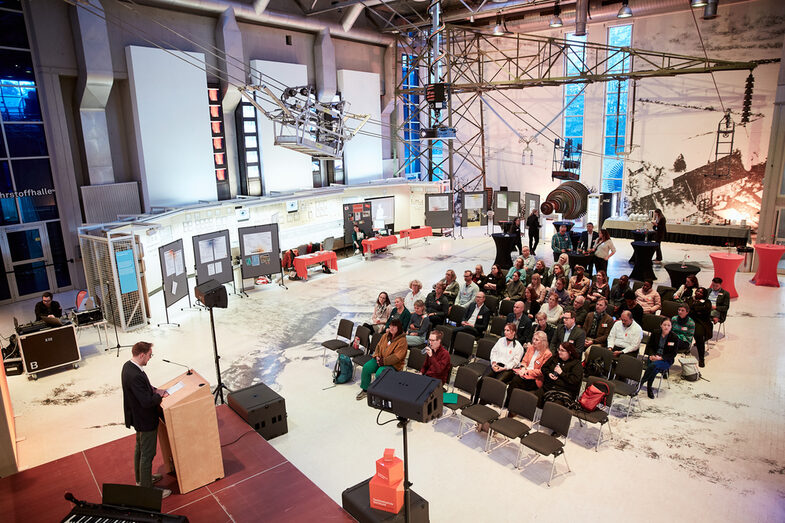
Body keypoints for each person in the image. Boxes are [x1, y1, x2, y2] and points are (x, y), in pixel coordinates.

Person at [121, 341, 170, 498]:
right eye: (149, 355)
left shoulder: (128, 367)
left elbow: (142, 390)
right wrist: (158, 395)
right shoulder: (135, 375)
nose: (150, 358)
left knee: (140, 450)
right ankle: (148, 490)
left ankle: (141, 480)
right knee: (147, 454)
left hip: (137, 417)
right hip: (145, 419)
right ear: (142, 354)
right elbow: (146, 401)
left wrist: (155, 390)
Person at [357, 319, 407, 400]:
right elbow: (378, 347)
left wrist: (383, 361)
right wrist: (377, 356)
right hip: (379, 359)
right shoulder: (385, 336)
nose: (391, 328)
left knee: (379, 374)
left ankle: (380, 394)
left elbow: (397, 357)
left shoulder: (402, 341)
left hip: (393, 364)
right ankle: (365, 390)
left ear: (399, 328)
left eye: (394, 326)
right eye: (390, 326)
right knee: (366, 367)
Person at [641, 318, 680, 398]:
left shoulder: (674, 337)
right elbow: (649, 346)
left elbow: (673, 354)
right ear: (661, 325)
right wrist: (651, 355)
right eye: (664, 325)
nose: (666, 327)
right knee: (655, 369)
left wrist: (661, 358)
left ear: (671, 327)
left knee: (653, 366)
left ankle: (641, 382)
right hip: (654, 356)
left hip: (666, 360)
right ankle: (649, 388)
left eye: (668, 325)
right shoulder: (655, 333)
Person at [506, 331, 553, 396]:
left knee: (516, 381)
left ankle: (508, 403)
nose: (534, 341)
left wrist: (527, 371)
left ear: (543, 342)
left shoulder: (547, 354)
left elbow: (541, 371)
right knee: (508, 374)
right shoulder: (531, 348)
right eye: (533, 338)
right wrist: (523, 368)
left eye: (537, 340)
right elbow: (524, 361)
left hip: (535, 378)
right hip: (523, 372)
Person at [538, 342, 583, 406]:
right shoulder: (555, 357)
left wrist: (561, 373)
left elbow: (575, 380)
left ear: (569, 352)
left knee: (553, 406)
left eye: (562, 350)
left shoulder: (576, 364)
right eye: (559, 349)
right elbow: (544, 368)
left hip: (564, 391)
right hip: (548, 387)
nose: (559, 352)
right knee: (534, 398)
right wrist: (549, 374)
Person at [688, 287, 712, 368]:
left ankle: (701, 358)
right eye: (698, 291)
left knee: (699, 335)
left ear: (704, 295)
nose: (698, 293)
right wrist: (698, 310)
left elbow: (705, 311)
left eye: (701, 292)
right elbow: (688, 309)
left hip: (701, 322)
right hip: (688, 321)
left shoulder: (707, 302)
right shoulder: (690, 299)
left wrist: (694, 307)